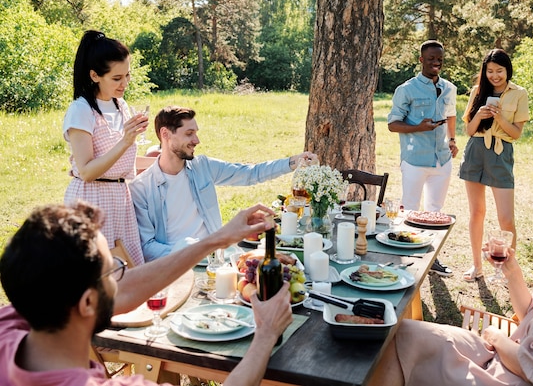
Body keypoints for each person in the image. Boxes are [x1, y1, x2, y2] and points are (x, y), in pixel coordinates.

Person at [0, 201, 293, 386]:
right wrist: (266, 333)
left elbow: (122, 292)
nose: (121, 274)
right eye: (113, 268)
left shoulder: (15, 319)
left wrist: (216, 239)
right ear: (87, 302)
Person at [369, 191, 533, 386]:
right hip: (502, 357)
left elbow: (532, 370)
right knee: (403, 332)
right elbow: (531, 316)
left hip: (508, 376)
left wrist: (495, 337)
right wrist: (512, 271)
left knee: (402, 343)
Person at [129, 105, 318, 262]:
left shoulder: (202, 167)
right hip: (177, 266)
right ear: (165, 134)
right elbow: (147, 247)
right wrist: (192, 253)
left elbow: (250, 174)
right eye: (189, 133)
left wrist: (293, 162)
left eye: (196, 133)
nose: (197, 140)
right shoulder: (142, 188)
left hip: (218, 260)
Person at [63, 30, 148, 266]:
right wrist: (125, 141)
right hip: (91, 200)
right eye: (117, 78)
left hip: (120, 198)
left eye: (128, 75)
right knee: (96, 276)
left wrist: (168, 159)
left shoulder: (121, 106)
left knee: (128, 273)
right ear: (94, 75)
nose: (125, 83)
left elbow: (123, 164)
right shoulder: (81, 110)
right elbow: (87, 171)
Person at [388, 40, 458, 277]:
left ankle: (432, 260)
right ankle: (406, 258)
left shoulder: (450, 88)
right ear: (421, 60)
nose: (436, 62)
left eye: (439, 58)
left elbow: (450, 115)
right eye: (431, 59)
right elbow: (392, 125)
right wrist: (418, 127)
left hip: (442, 160)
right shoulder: (406, 90)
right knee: (409, 210)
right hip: (415, 160)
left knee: (435, 212)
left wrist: (452, 140)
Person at [459, 49, 529, 281]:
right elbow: (469, 131)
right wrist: (479, 115)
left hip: (500, 152)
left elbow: (516, 134)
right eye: (490, 71)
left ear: (507, 70)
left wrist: (499, 118)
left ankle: (509, 270)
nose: (495, 76)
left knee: (506, 219)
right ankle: (477, 266)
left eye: (499, 71)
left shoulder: (519, 93)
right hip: (475, 152)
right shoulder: (477, 91)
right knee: (476, 212)